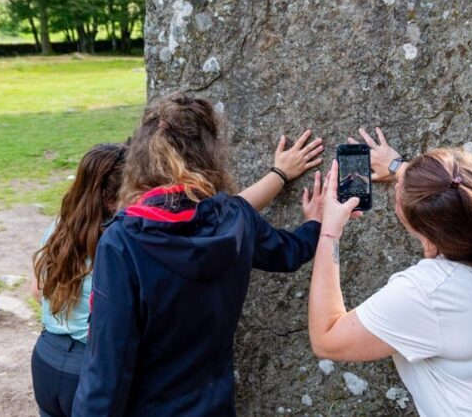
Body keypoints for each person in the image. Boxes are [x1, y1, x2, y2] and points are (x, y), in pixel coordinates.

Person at [72, 92, 326, 416]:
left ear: (142, 157)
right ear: (210, 153)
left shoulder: (123, 243)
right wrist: (317, 224)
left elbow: (106, 368)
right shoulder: (237, 219)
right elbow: (288, 252)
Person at [307, 128, 472, 416]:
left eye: (399, 197)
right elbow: (460, 193)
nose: (398, 189)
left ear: (427, 240)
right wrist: (398, 167)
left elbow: (326, 340)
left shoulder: (427, 293)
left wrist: (329, 232)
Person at [30, 143, 127, 417]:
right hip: (90, 368)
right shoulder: (119, 241)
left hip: (45, 359)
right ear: (111, 199)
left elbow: (37, 292)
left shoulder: (60, 226)